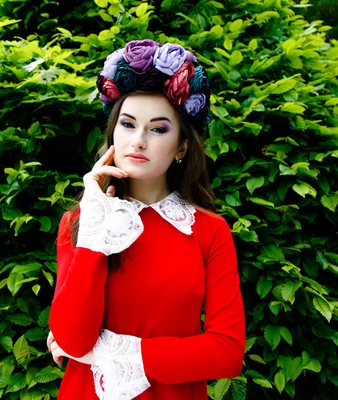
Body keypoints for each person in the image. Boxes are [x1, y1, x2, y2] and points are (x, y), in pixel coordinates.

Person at [47, 39, 245, 399]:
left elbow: (227, 352)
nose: (138, 141)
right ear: (113, 132)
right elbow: (73, 339)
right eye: (127, 124)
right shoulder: (77, 222)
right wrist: (94, 230)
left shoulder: (210, 231)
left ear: (182, 146)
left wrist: (111, 353)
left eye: (157, 129)